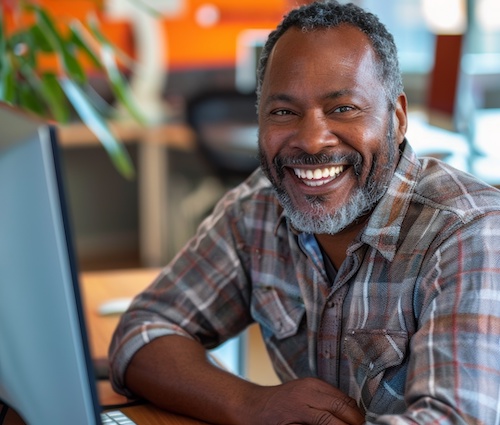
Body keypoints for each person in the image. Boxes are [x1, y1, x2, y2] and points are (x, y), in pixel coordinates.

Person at [109, 1, 500, 424]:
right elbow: (142, 330)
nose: (312, 140)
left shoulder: (469, 234)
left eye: (343, 108)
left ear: (398, 118)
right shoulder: (258, 208)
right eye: (283, 112)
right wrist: (250, 403)